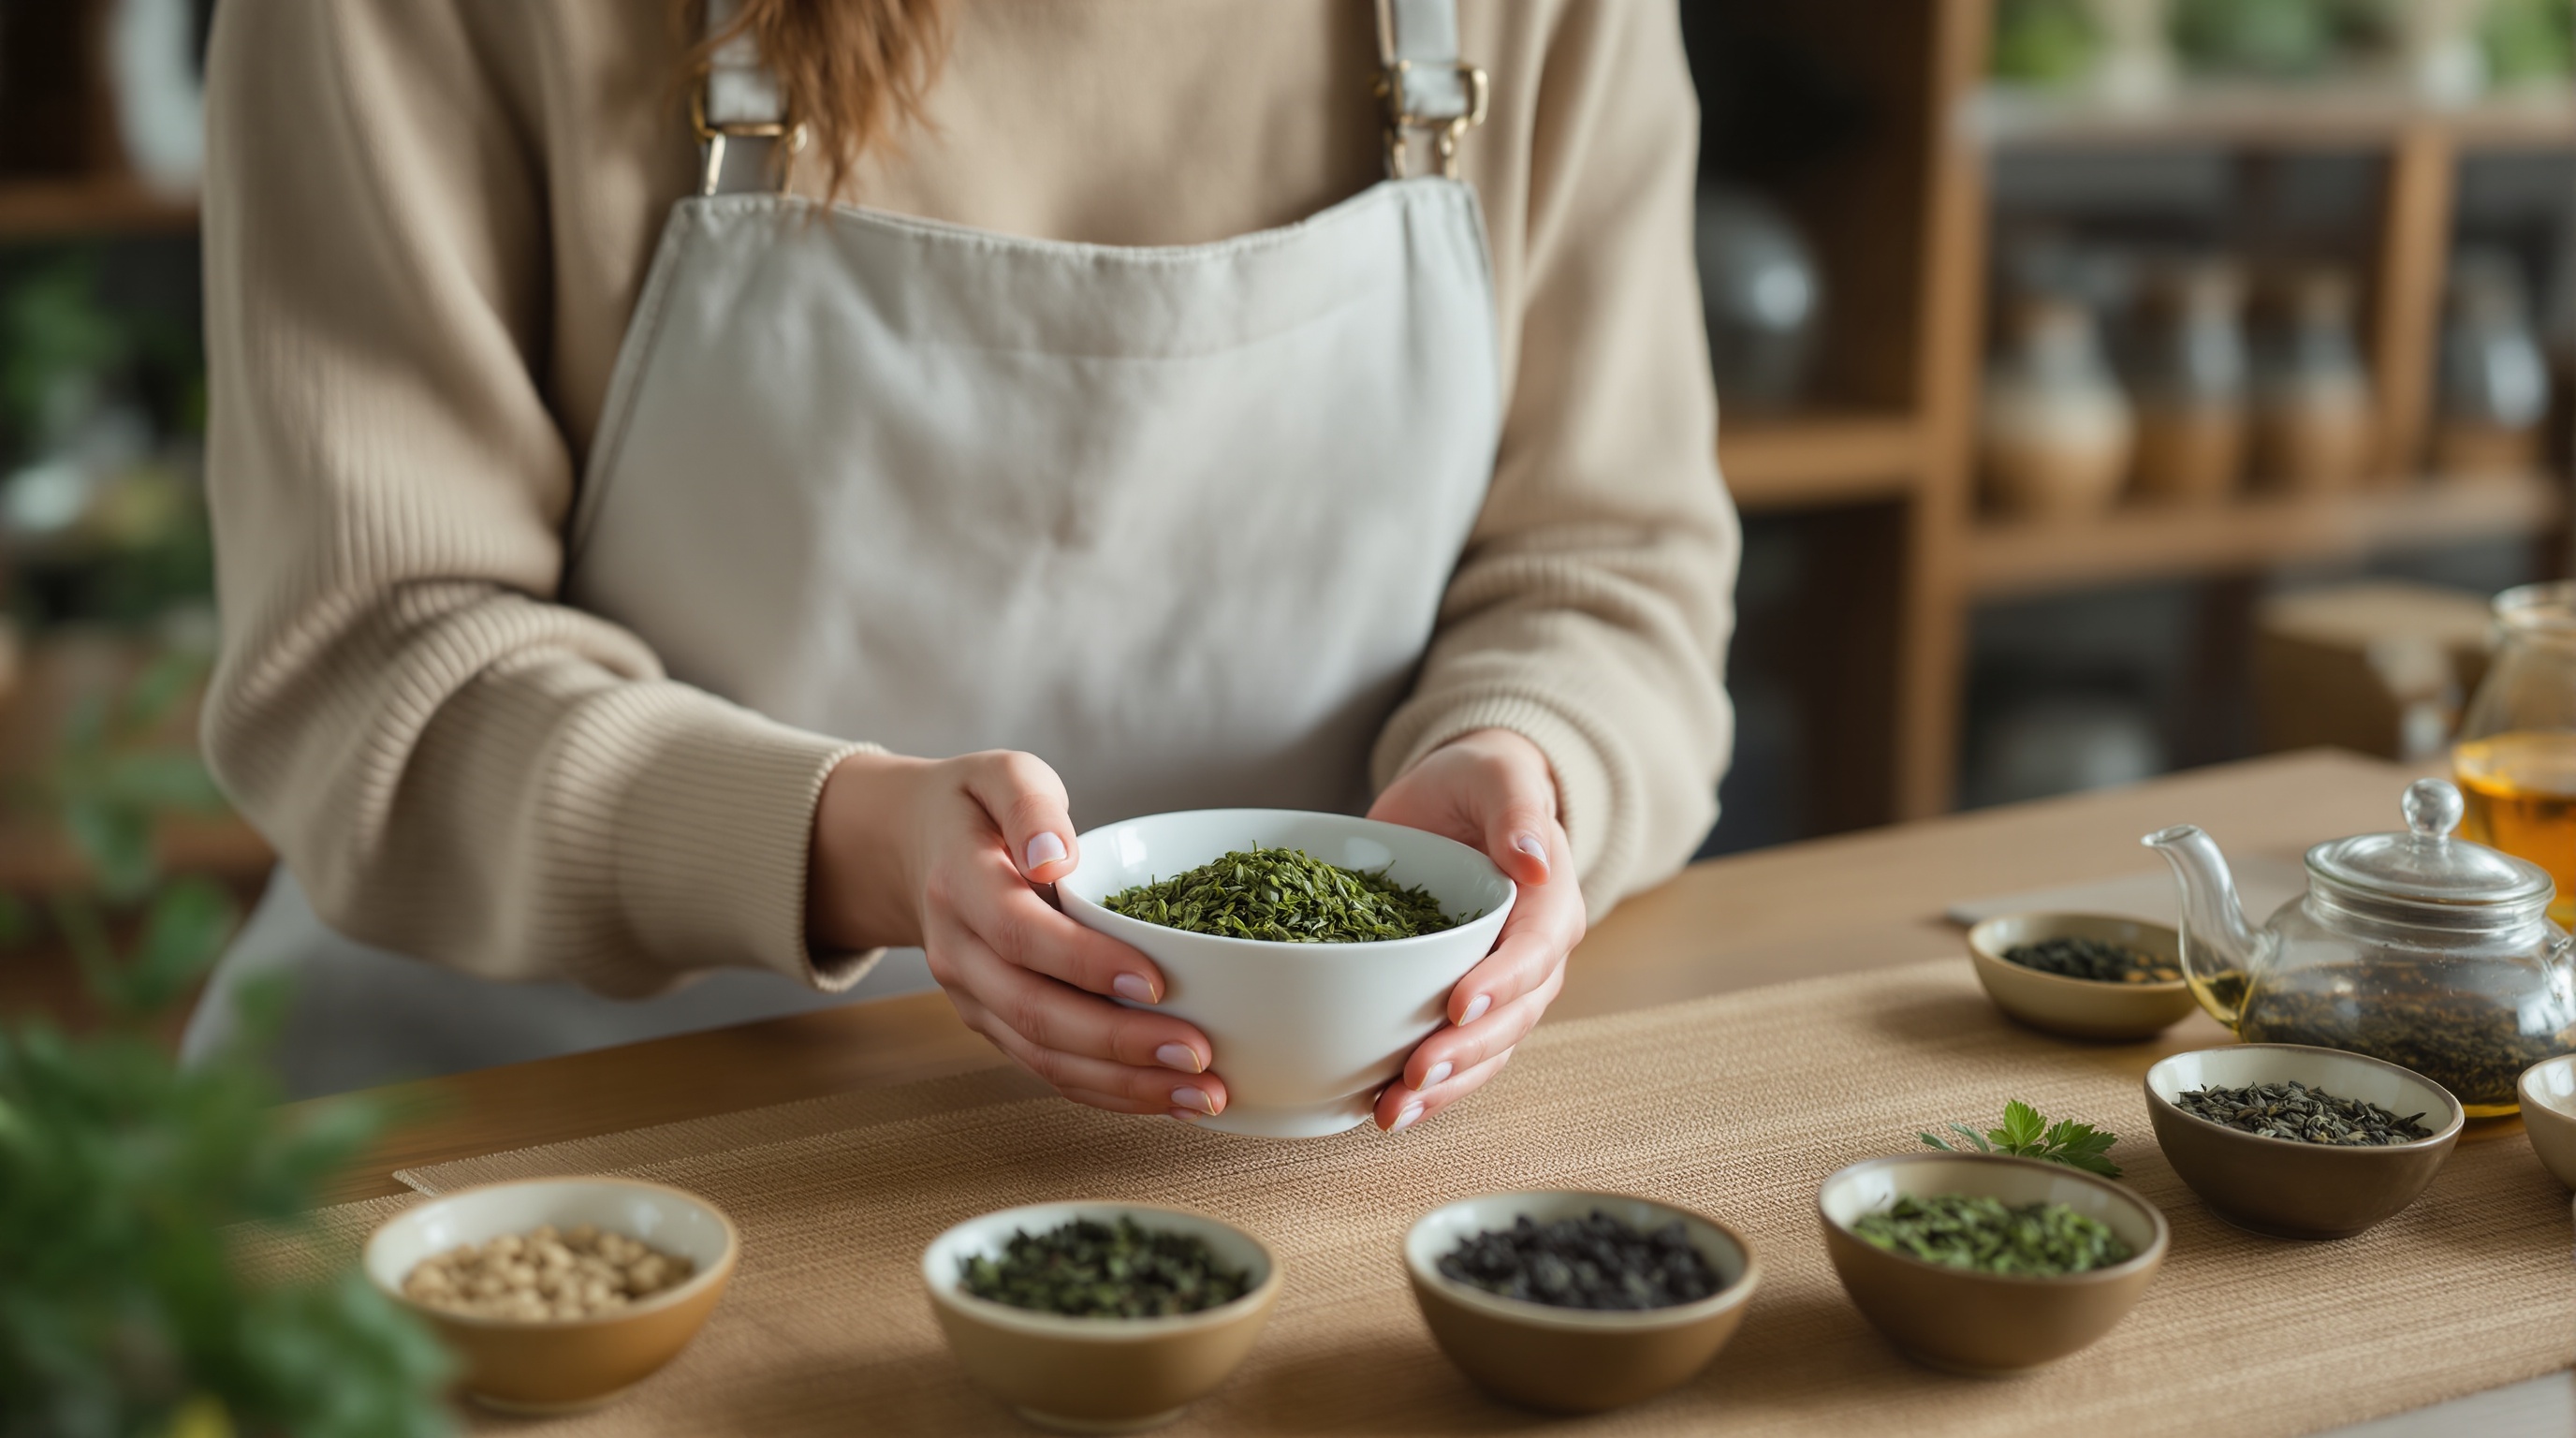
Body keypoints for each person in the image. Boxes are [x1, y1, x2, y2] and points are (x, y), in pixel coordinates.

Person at [181, 0, 1738, 1131]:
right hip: (538, 1131)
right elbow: (375, 660)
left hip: (1264, 1161)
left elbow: (1607, 564)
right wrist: (861, 849)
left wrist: (1524, 772)